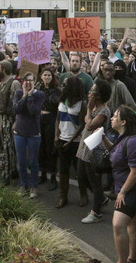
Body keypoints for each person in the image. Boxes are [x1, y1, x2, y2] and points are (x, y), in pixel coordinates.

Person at [100, 106, 136, 263]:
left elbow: (135, 172)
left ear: (124, 121)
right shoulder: (121, 138)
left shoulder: (134, 141)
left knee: (118, 225)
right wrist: (103, 138)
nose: (112, 118)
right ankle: (133, 259)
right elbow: (115, 152)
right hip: (125, 188)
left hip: (133, 189)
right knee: (132, 223)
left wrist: (122, 192)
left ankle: (122, 261)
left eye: (115, 116)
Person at [77, 78, 112, 223]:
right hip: (85, 146)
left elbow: (90, 124)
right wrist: (89, 111)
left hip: (94, 149)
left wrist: (89, 109)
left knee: (94, 181)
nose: (90, 92)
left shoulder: (103, 110)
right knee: (81, 177)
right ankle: (102, 199)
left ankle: (96, 212)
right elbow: (87, 121)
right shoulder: (94, 108)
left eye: (93, 90)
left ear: (98, 95)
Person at [54, 75, 87, 208]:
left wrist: (70, 140)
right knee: (63, 170)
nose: (62, 86)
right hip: (62, 140)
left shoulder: (81, 103)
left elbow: (81, 125)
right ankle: (63, 196)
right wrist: (57, 136)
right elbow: (57, 119)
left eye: (65, 84)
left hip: (76, 143)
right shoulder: (62, 101)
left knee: (79, 172)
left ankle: (83, 195)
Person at [12, 72, 45, 198]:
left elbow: (34, 111)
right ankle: (23, 185)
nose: (28, 83)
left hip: (33, 133)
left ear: (34, 81)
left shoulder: (40, 94)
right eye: (26, 81)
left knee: (33, 161)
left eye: (30, 80)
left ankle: (33, 186)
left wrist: (30, 97)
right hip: (19, 132)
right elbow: (15, 110)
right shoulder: (18, 93)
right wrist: (24, 96)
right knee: (21, 161)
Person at [0, 60, 21, 185]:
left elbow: (18, 104)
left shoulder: (14, 83)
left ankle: (8, 174)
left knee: (9, 146)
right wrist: (0, 121)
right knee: (6, 147)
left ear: (4, 70)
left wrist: (16, 121)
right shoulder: (1, 84)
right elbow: (1, 104)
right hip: (4, 118)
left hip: (11, 120)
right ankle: (11, 170)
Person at [36, 67, 62, 191]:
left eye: (49, 75)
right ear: (41, 77)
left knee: (50, 148)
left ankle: (52, 177)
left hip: (51, 120)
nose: (46, 77)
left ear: (52, 77)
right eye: (45, 75)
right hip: (39, 120)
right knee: (40, 148)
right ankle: (43, 174)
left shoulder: (56, 91)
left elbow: (57, 106)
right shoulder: (38, 89)